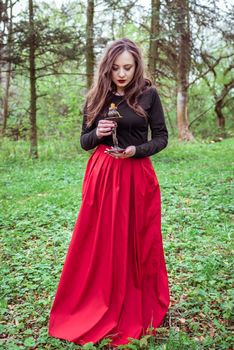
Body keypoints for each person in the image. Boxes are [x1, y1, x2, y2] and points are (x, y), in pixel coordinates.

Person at [48, 38, 170, 347]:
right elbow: (84, 142)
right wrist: (97, 132)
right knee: (99, 240)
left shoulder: (148, 95)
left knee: (136, 238)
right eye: (116, 68)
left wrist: (136, 149)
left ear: (136, 65)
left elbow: (162, 138)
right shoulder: (97, 95)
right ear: (107, 67)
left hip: (136, 175)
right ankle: (96, 299)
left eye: (128, 67)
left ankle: (135, 300)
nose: (122, 74)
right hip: (103, 176)